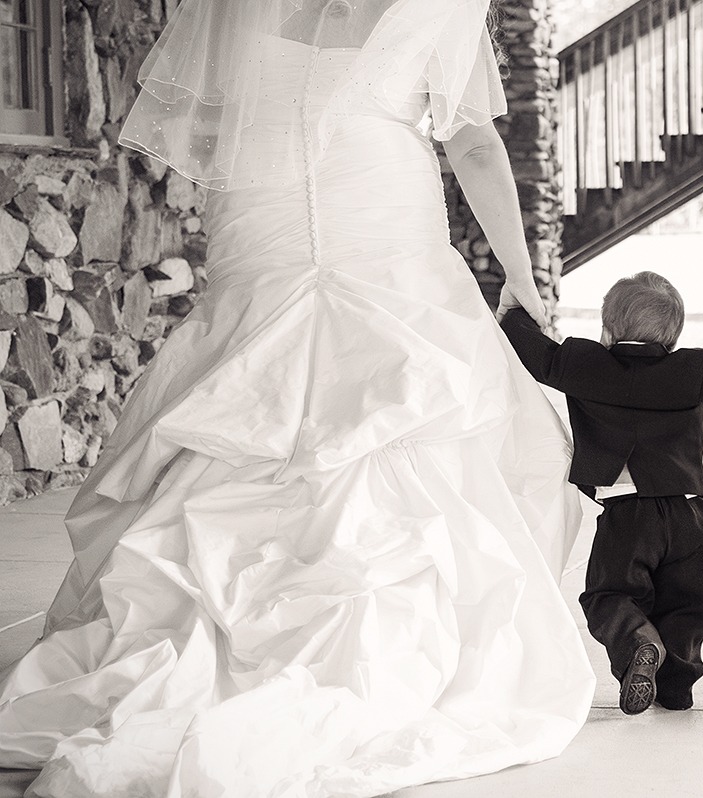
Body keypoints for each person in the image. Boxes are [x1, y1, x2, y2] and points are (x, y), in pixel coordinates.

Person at [0, 0, 595, 794]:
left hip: (267, 233)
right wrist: (521, 278)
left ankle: (197, 627)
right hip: (378, 227)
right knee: (397, 418)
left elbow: (210, 142)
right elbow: (475, 144)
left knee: (251, 406)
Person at [500, 272, 703, 715]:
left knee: (609, 595)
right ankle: (676, 688)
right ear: (672, 339)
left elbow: (532, 353)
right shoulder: (691, 369)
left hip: (627, 515)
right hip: (689, 514)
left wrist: (516, 313)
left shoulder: (582, 364)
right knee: (686, 604)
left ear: (606, 333)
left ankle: (639, 641)